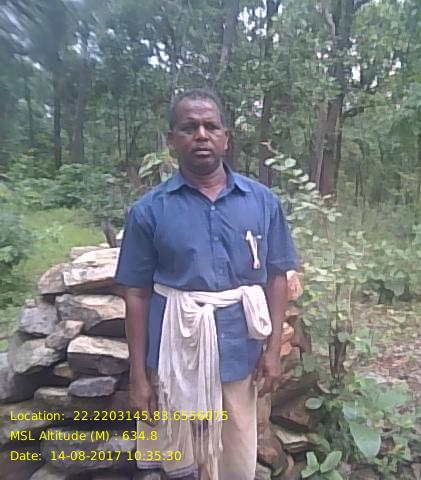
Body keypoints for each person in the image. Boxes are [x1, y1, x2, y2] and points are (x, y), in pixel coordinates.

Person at [114, 88, 299, 480]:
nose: (201, 135)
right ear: (172, 139)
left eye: (210, 126)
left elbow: (277, 276)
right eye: (189, 127)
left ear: (225, 138)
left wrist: (272, 352)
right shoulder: (149, 211)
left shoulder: (262, 202)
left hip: (240, 354)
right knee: (179, 456)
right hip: (175, 353)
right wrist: (138, 376)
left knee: (235, 455)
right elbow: (136, 293)